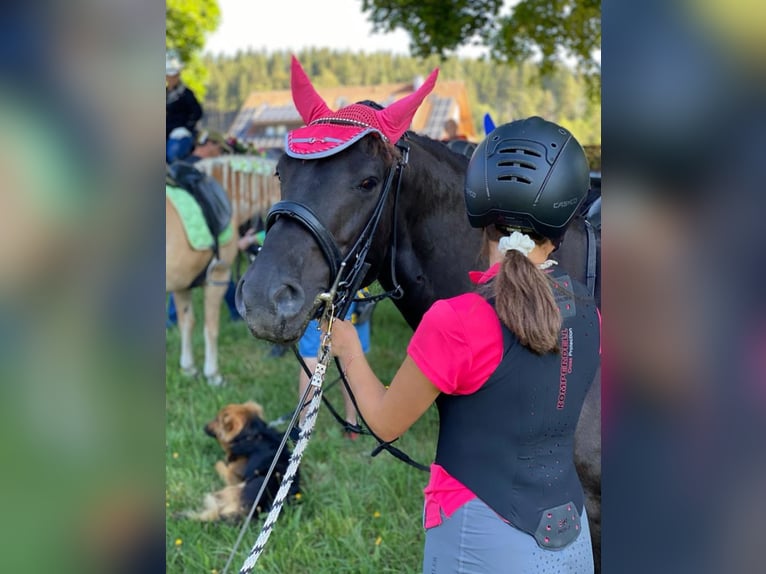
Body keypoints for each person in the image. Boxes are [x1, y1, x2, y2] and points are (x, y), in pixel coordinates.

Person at [326, 117, 600, 573]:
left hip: (479, 541)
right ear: (568, 213)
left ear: (476, 204)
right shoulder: (589, 309)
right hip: (569, 540)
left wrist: (349, 348)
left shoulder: (456, 321)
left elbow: (385, 422)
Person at [296, 291, 374, 440]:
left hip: (324, 288)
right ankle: (352, 424)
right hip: (356, 285)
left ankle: (303, 427)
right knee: (351, 353)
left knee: (312, 355)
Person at [166, 50, 203, 141]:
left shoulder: (186, 93)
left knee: (173, 152)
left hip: (180, 136)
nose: (171, 78)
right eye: (169, 76)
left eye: (174, 75)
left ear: (178, 75)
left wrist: (186, 128)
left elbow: (197, 112)